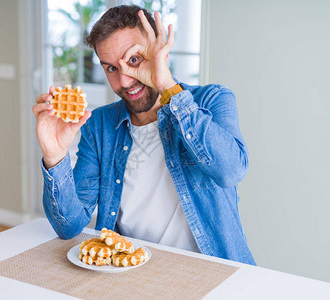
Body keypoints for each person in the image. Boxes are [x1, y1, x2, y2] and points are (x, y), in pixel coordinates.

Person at [32, 5, 255, 265]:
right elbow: (69, 227)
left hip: (210, 270)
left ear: (159, 52)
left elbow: (230, 172)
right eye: (111, 69)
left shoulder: (213, 99)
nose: (125, 81)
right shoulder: (100, 125)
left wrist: (167, 87)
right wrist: (54, 155)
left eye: (134, 60)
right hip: (129, 270)